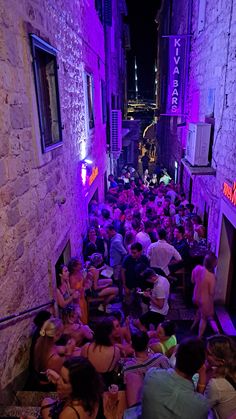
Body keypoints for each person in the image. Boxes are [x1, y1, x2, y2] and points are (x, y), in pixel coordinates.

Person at [141, 337, 209, 419]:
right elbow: (199, 407)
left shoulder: (152, 375)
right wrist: (201, 388)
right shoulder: (201, 406)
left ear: (176, 355)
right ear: (200, 367)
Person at [124, 331, 170, 407]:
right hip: (166, 404)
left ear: (132, 345)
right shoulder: (161, 358)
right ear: (148, 344)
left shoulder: (128, 368)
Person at [80, 317, 121, 388]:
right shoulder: (115, 351)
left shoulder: (86, 347)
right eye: (115, 327)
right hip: (106, 388)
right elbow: (116, 371)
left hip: (88, 387)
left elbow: (81, 369)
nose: (118, 329)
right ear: (109, 332)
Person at [202, 335, 236, 419]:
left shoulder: (216, 384)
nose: (205, 355)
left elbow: (200, 408)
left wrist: (202, 372)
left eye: (208, 353)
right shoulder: (231, 370)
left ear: (221, 362)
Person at [191, 252, 219, 337]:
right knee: (204, 318)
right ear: (214, 264)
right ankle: (199, 337)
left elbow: (192, 281)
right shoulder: (212, 276)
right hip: (205, 300)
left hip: (195, 297)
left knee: (199, 311)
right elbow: (211, 292)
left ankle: (192, 327)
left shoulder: (197, 268)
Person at [33, 318, 65, 388]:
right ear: (57, 335)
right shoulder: (55, 358)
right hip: (50, 387)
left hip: (39, 381)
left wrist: (65, 349)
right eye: (61, 333)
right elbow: (61, 380)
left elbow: (56, 348)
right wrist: (69, 354)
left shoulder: (39, 343)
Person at [106, 224, 127, 290]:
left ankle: (119, 294)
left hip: (116, 264)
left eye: (108, 232)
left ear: (112, 231)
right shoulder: (119, 235)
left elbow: (124, 252)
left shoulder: (116, 241)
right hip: (114, 262)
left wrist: (120, 263)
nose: (107, 234)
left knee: (116, 279)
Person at [68, 258, 88, 324]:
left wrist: (85, 285)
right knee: (81, 316)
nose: (81, 265)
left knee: (85, 312)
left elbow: (83, 283)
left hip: (83, 297)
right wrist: (79, 290)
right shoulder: (71, 278)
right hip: (78, 300)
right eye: (79, 264)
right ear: (74, 267)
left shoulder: (79, 272)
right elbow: (71, 292)